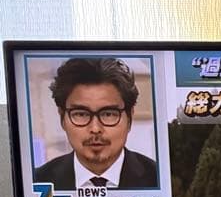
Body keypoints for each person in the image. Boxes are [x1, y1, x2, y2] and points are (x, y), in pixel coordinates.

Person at [34, 57, 158, 190]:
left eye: (108, 114)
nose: (95, 129)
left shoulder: (159, 178)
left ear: (129, 118)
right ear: (62, 118)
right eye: (81, 114)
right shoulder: (37, 181)